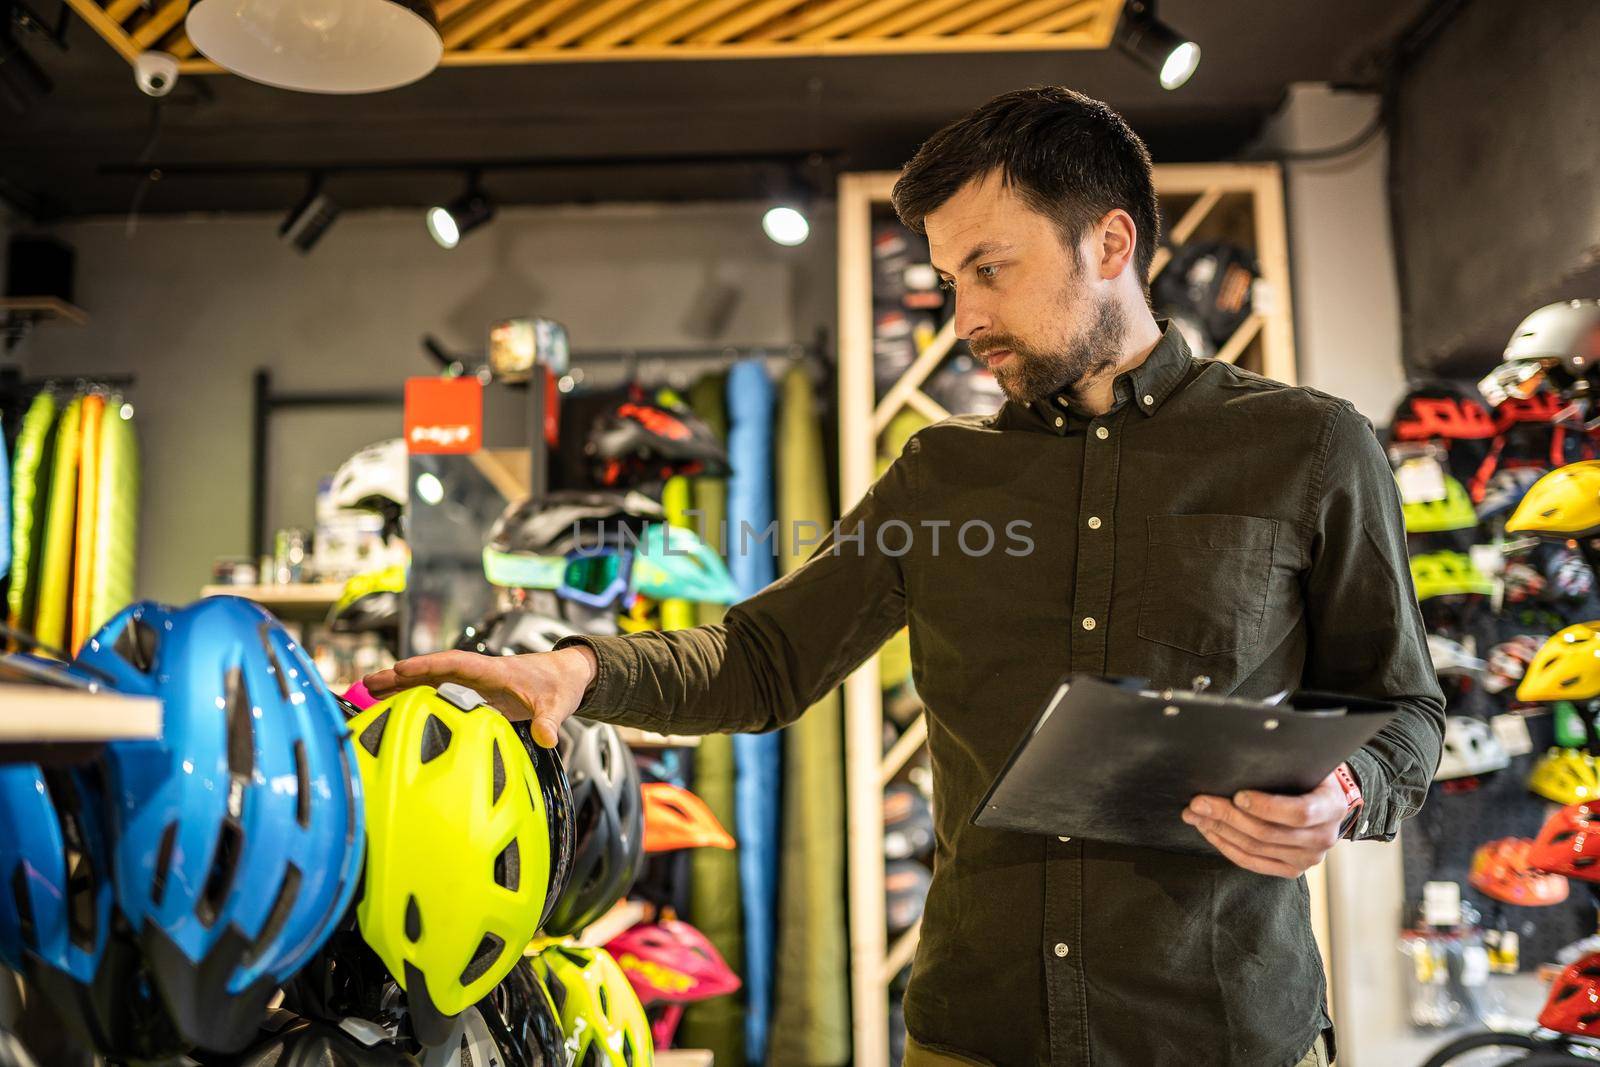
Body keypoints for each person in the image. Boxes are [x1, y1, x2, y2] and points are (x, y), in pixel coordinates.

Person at [364, 86, 1444, 1067]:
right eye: (945, 280)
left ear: (1110, 241)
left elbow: (1400, 709)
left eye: (991, 267)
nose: (962, 317)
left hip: (1221, 1030)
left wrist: (1346, 792)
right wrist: (578, 671)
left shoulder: (1310, 450)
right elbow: (764, 655)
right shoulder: (939, 474)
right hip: (978, 1032)